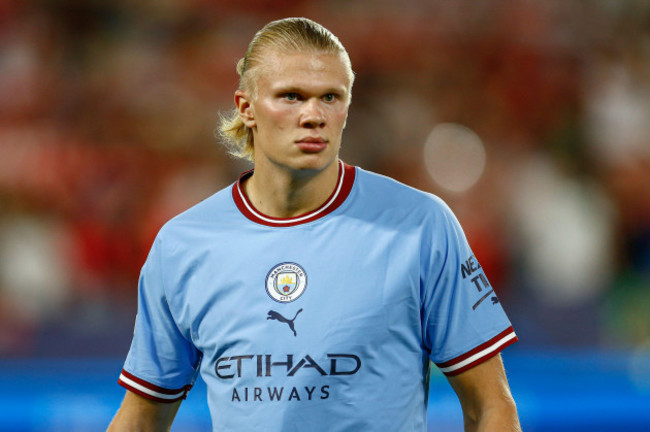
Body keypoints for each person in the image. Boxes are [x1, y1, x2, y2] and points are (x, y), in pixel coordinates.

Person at [108, 17, 521, 432]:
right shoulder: (184, 245)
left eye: (330, 97)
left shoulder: (419, 226)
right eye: (291, 96)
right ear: (246, 108)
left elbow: (491, 407)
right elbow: (141, 420)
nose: (313, 115)